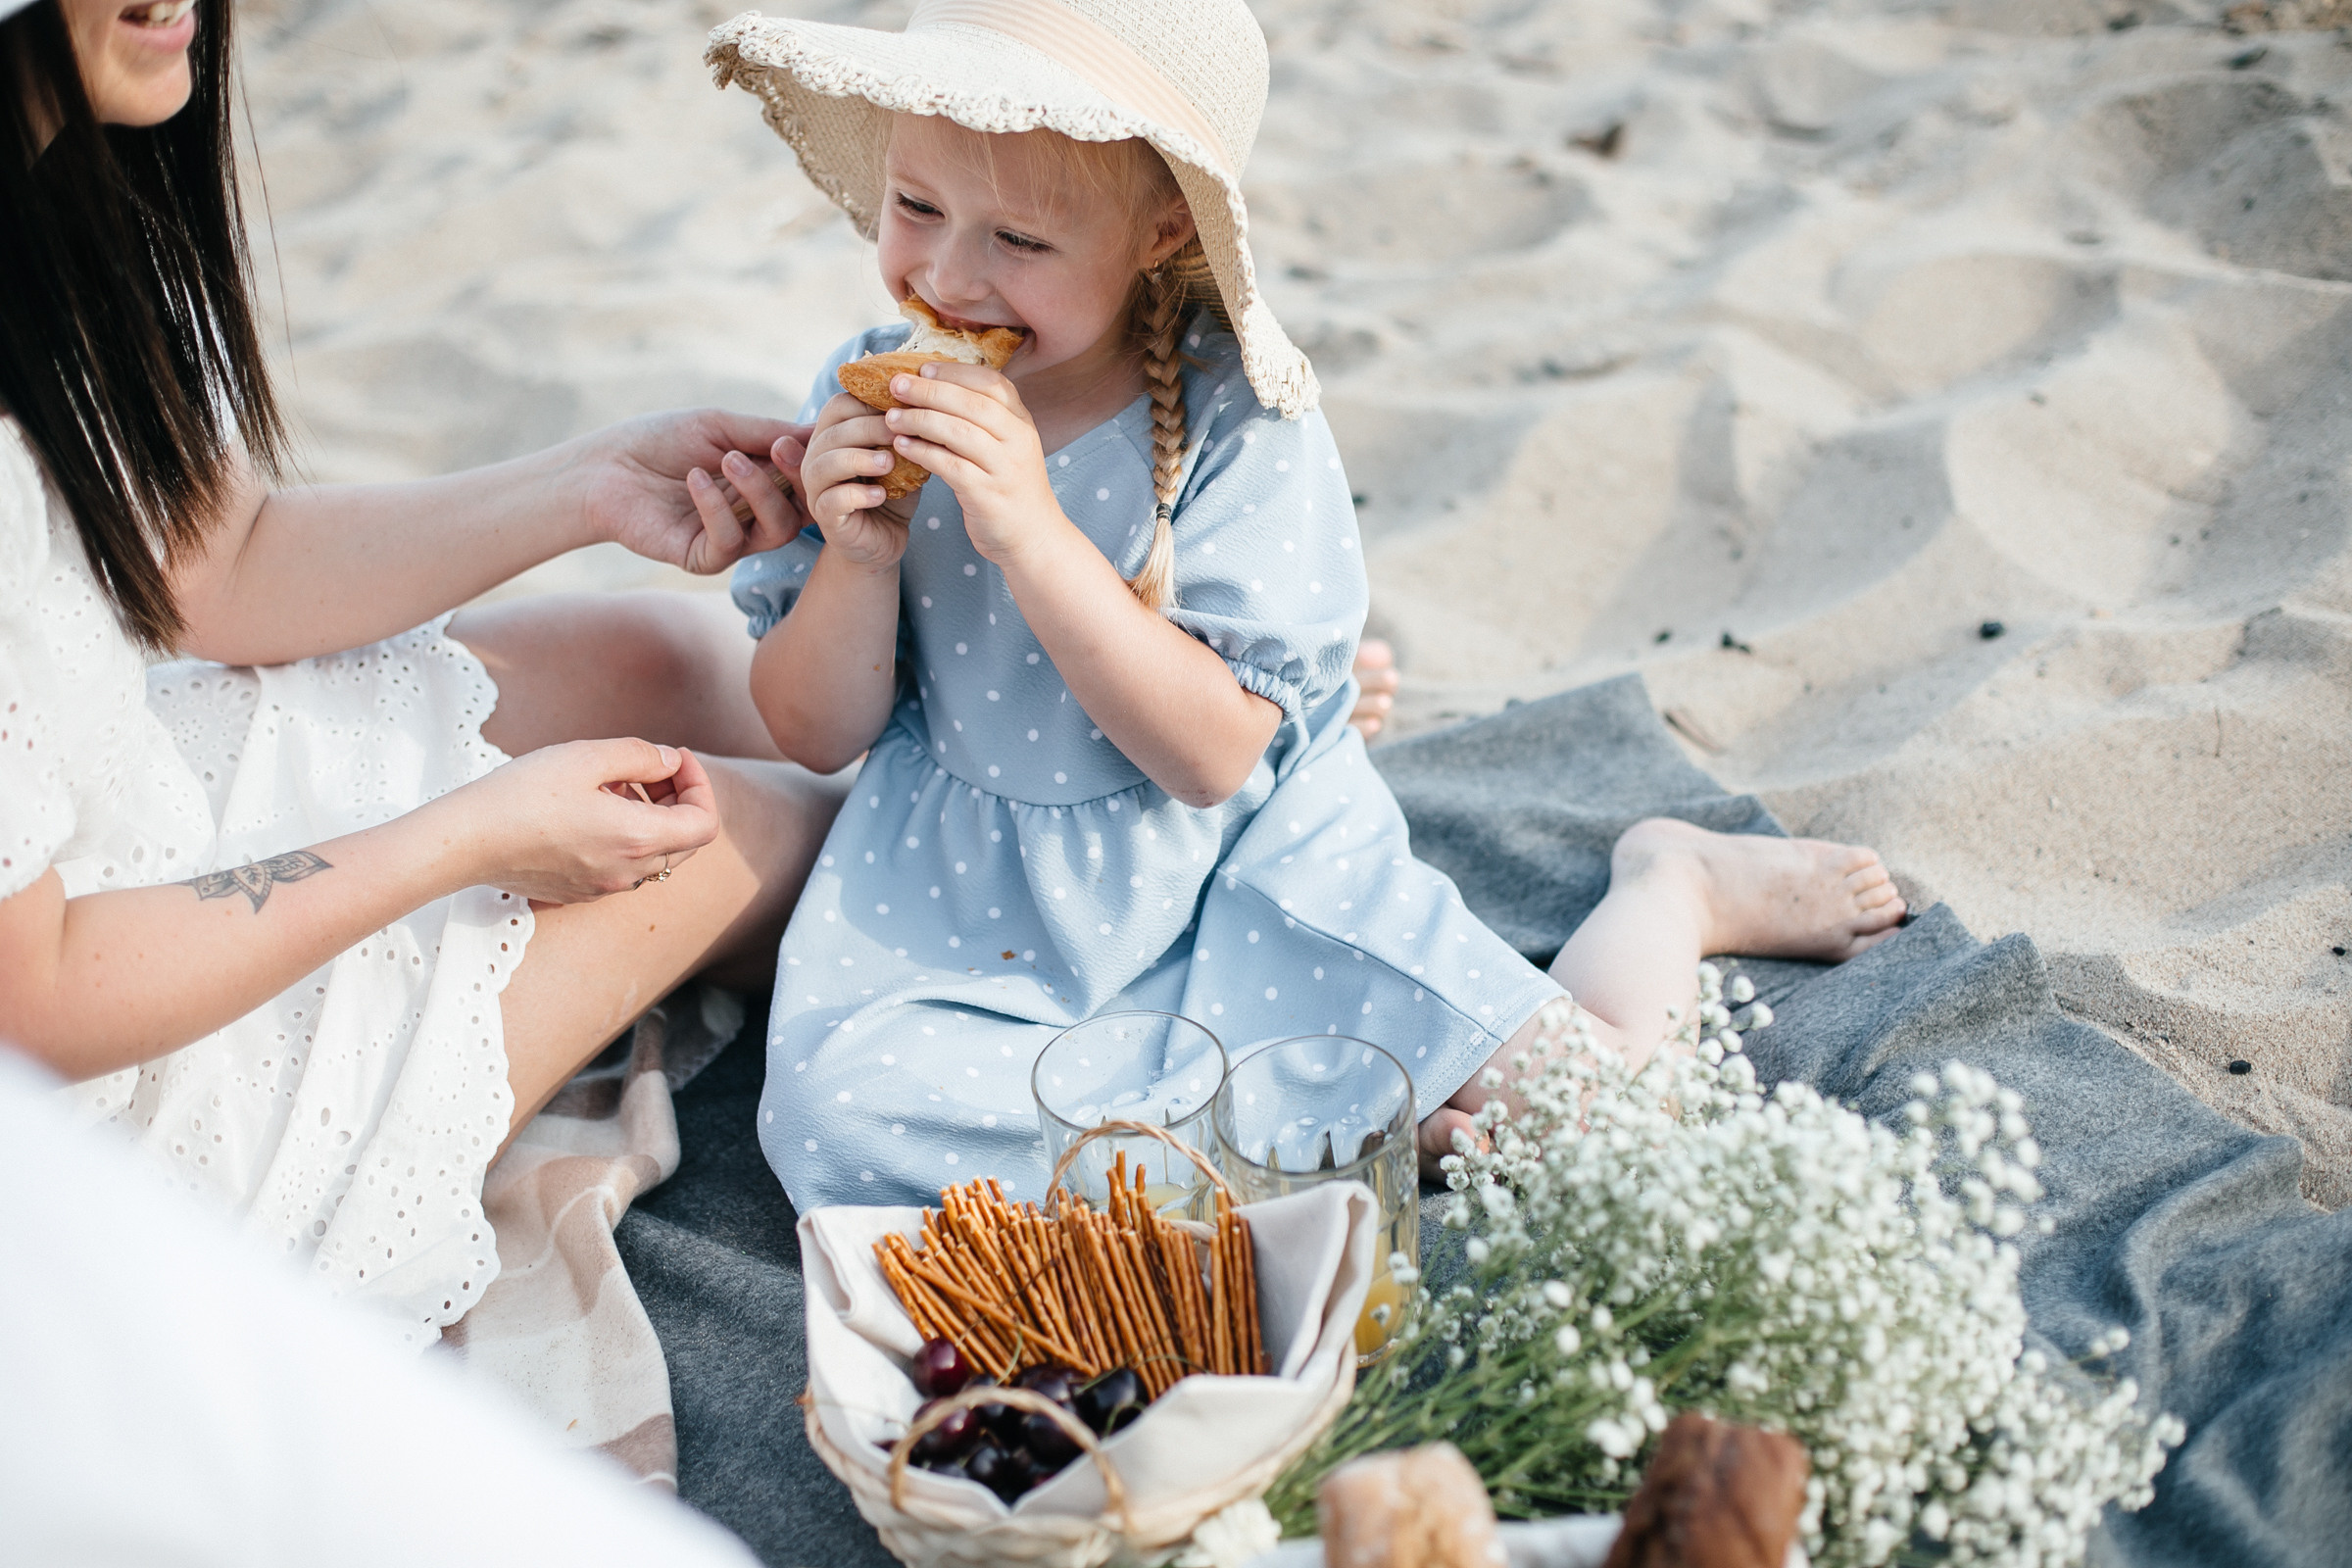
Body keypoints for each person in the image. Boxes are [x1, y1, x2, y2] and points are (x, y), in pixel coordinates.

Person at [710, 0, 1908, 1210]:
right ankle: (1340, 1135)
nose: (950, 274)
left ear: (1159, 226)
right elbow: (813, 734)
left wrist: (1030, 532)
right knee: (832, 1118)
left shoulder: (1243, 420)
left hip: (1246, 876)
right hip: (976, 902)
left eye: (1019, 237)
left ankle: (1674, 888)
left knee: (1612, 1119)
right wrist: (857, 558)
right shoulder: (866, 392)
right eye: (917, 208)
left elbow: (1212, 756)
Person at [0, 0, 844, 1345]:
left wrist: (589, 485)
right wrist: (470, 840)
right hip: (77, 1127)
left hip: (119, 809)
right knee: (749, 832)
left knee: (670, 651)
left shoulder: (50, 180)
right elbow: (34, 1002)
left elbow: (209, 565)